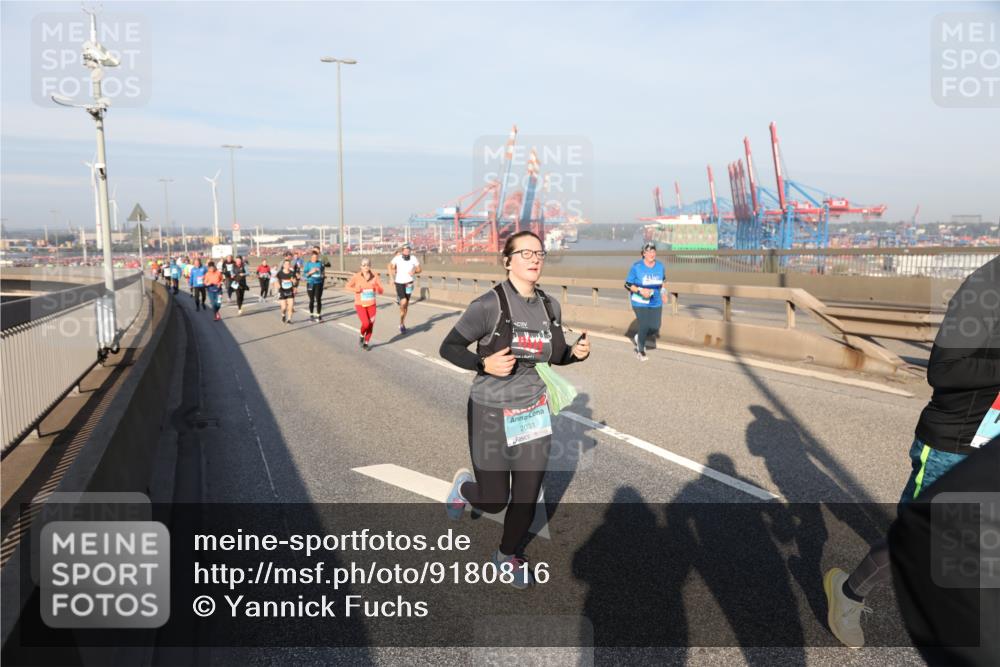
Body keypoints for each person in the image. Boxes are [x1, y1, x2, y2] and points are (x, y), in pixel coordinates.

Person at [824, 256, 999, 649]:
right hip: (953, 446)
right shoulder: (985, 288)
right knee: (918, 542)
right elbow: (944, 371)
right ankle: (849, 593)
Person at [439, 231, 591, 588]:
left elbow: (553, 355)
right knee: (493, 500)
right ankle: (464, 488)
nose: (535, 259)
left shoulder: (550, 305)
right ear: (507, 260)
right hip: (490, 411)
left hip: (533, 411)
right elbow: (449, 347)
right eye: (525, 253)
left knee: (526, 495)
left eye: (539, 253)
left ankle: (507, 556)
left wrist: (575, 354)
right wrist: (483, 364)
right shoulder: (488, 305)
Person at [624, 241, 666, 361]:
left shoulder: (660, 266)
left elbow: (663, 282)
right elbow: (627, 285)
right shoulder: (636, 267)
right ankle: (640, 350)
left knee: (655, 327)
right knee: (644, 324)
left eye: (653, 251)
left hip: (656, 300)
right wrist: (639, 291)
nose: (651, 254)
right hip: (639, 301)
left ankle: (639, 337)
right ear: (643, 254)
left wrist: (663, 293)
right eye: (648, 252)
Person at [345, 257, 384, 350]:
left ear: (370, 266)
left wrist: (377, 287)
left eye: (368, 265)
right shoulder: (357, 276)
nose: (366, 266)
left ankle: (366, 342)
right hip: (360, 304)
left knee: (371, 324)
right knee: (366, 323)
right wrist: (356, 289)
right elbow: (347, 286)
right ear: (361, 267)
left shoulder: (375, 276)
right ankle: (362, 335)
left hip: (372, 304)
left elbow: (381, 290)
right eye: (364, 265)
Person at [389, 243, 421, 334]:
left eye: (409, 250)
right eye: (405, 250)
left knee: (405, 305)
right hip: (399, 283)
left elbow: (420, 269)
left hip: (409, 283)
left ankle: (402, 323)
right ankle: (400, 300)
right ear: (402, 250)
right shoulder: (397, 258)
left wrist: (414, 271)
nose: (407, 251)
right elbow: (389, 266)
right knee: (403, 301)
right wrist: (391, 277)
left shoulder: (413, 258)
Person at [304, 249, 326, 320]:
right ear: (311, 257)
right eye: (313, 257)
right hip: (310, 283)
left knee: (318, 299)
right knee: (312, 300)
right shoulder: (308, 264)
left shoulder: (320, 263)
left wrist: (322, 275)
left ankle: (319, 315)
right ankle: (311, 314)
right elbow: (304, 275)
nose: (315, 259)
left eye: (316, 257)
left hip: (319, 283)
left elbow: (323, 272)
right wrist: (311, 272)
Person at [275, 258, 297, 324]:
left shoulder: (292, 273)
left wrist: (294, 282)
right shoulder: (280, 273)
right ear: (283, 265)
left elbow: (295, 282)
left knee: (290, 306)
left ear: (289, 265)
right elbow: (276, 281)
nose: (287, 265)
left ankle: (289, 319)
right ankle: (283, 315)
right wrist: (277, 285)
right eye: (286, 264)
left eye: (288, 264)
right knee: (284, 308)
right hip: (282, 291)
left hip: (290, 291)